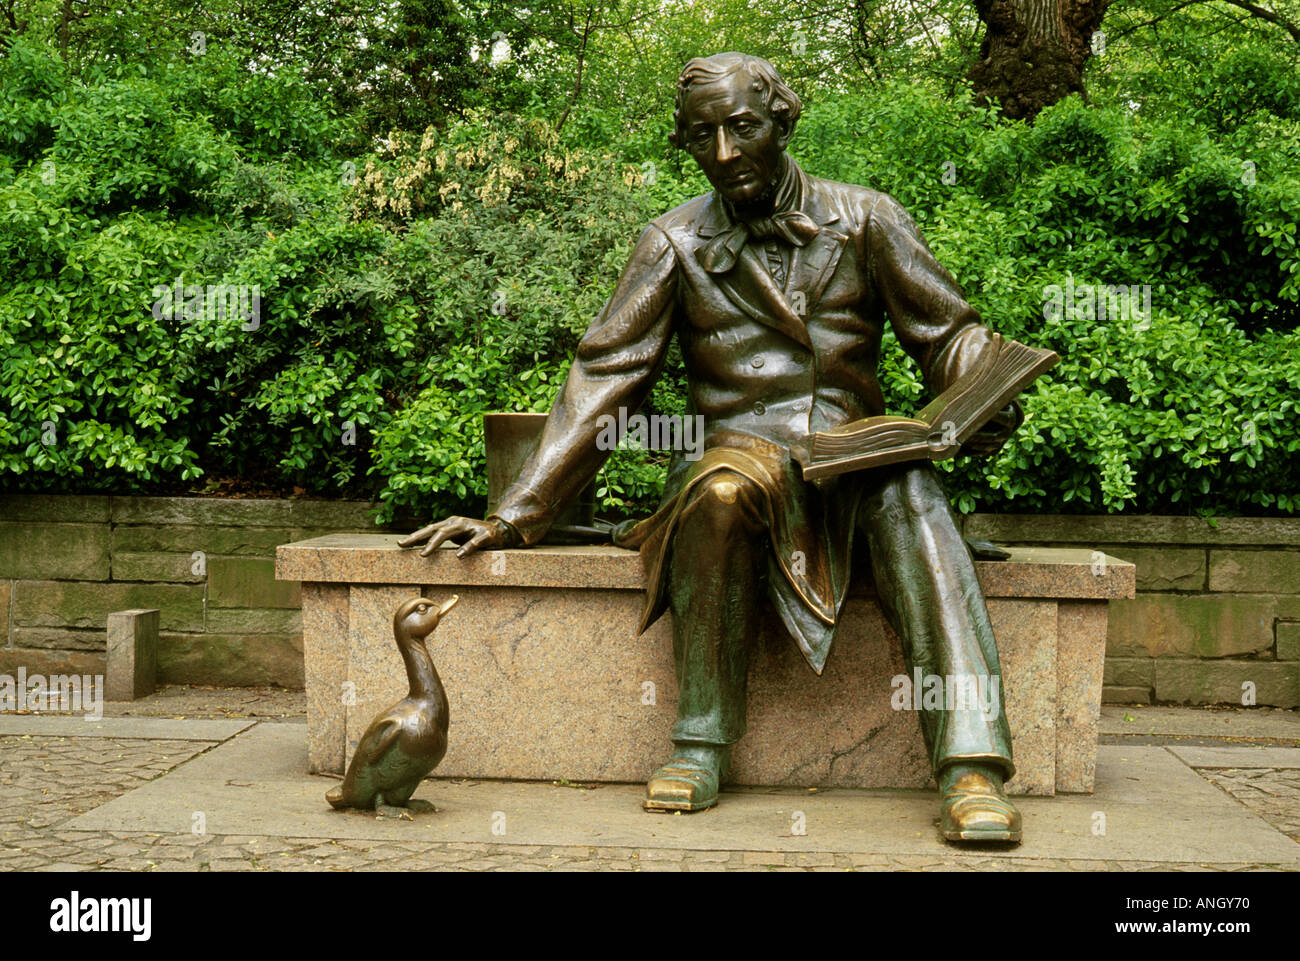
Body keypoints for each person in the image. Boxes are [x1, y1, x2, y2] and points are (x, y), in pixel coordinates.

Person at [401, 52, 1025, 842]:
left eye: (742, 128)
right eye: (703, 136)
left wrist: (983, 384)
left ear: (784, 122)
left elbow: (949, 332)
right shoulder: (671, 240)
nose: (725, 152)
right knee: (717, 495)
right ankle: (699, 740)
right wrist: (518, 511)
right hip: (739, 451)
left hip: (855, 458)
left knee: (914, 496)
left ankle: (971, 766)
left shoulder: (867, 217)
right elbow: (607, 374)